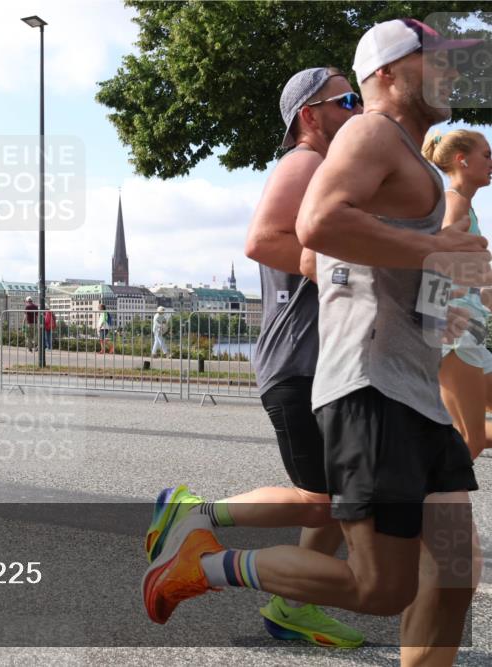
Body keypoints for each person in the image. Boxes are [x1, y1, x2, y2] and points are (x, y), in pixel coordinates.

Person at [144, 20, 485, 665]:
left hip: (413, 390)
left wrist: (444, 307)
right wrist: (437, 246)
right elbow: (317, 224)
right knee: (384, 587)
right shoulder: (369, 131)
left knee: (456, 572)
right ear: (386, 72)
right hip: (370, 386)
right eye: (435, 58)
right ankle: (205, 565)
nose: (452, 72)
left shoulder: (413, 164)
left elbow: (383, 266)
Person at [150, 67, 365, 648]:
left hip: (316, 363)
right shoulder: (306, 162)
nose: (360, 110)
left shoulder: (329, 169)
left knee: (336, 504)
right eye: (348, 100)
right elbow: (263, 239)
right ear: (310, 116)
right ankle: (198, 514)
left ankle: (295, 604)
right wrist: (351, 269)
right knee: (324, 502)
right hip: (300, 362)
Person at [423, 129, 492, 460]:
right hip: (457, 334)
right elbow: (435, 265)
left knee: (471, 437)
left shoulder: (466, 206)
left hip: (472, 330)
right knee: (470, 439)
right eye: (487, 155)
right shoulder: (453, 204)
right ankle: (415, 506)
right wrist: (434, 332)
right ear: (462, 160)